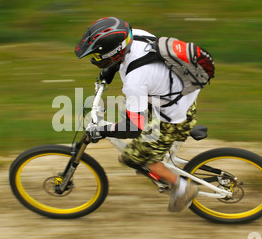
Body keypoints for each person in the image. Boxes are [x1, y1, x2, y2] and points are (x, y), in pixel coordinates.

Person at [75, 17, 214, 212]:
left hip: (173, 114)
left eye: (99, 57)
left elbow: (133, 128)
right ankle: (162, 156)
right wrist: (109, 70)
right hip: (179, 91)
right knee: (128, 108)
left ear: (114, 53)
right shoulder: (136, 35)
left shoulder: (135, 82)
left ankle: (182, 187)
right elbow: (132, 59)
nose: (95, 61)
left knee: (134, 158)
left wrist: (102, 131)